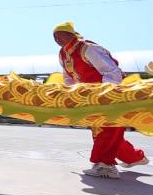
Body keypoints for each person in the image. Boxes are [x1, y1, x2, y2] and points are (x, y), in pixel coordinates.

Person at [54, 21, 148, 179]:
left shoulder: (88, 48)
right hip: (91, 99)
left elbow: (112, 70)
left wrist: (107, 94)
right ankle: (135, 157)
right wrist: (71, 96)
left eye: (59, 34)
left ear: (70, 34)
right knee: (103, 131)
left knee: (108, 130)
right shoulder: (63, 55)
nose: (56, 39)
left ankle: (105, 166)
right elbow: (69, 78)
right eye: (54, 36)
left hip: (111, 95)